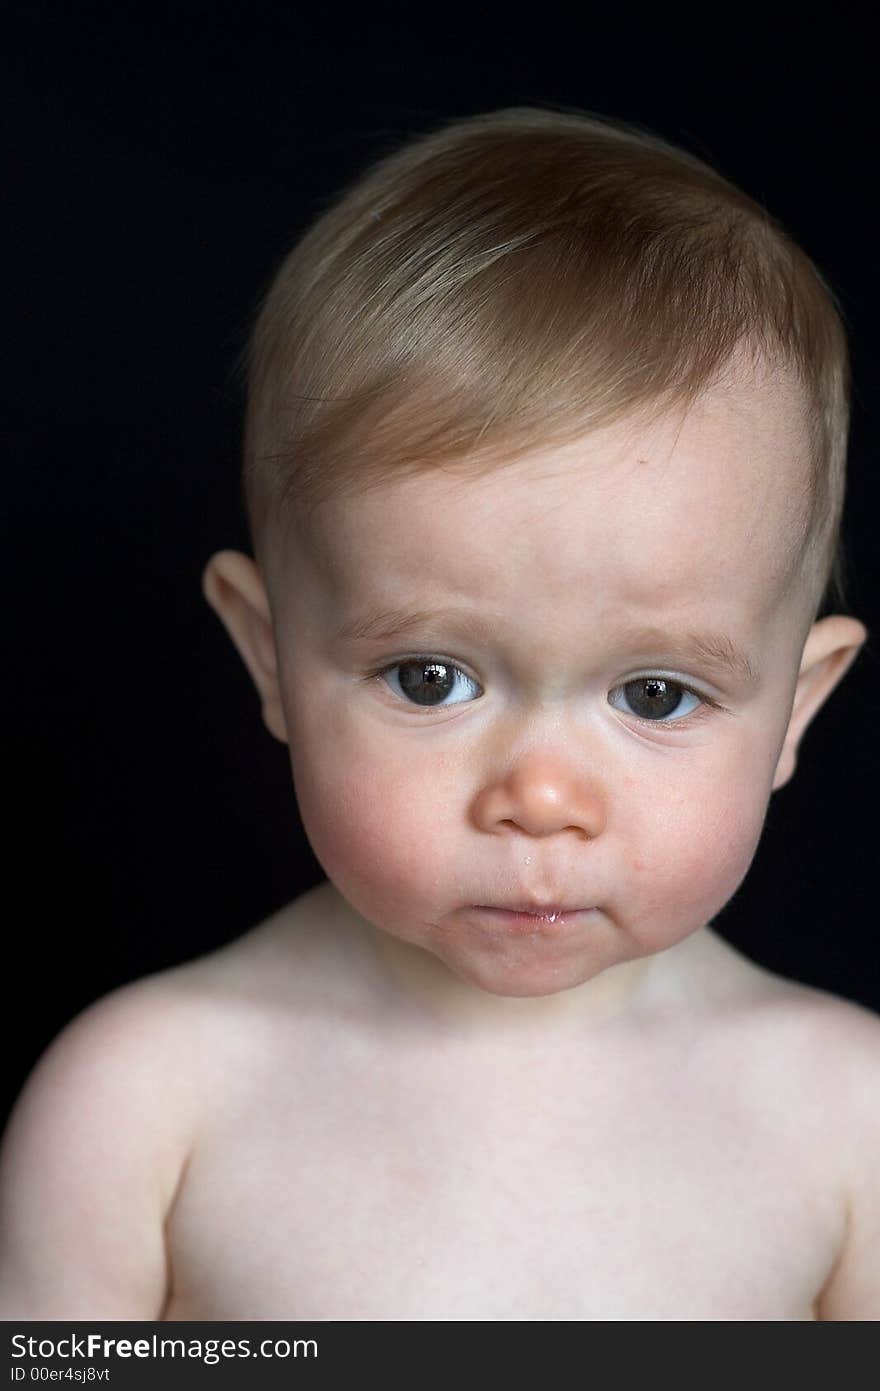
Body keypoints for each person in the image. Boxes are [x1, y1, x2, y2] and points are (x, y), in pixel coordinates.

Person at [1, 103, 877, 1322]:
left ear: (796, 705)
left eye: (656, 692)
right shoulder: (146, 1106)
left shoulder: (846, 1126)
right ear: (270, 655)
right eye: (431, 678)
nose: (542, 797)